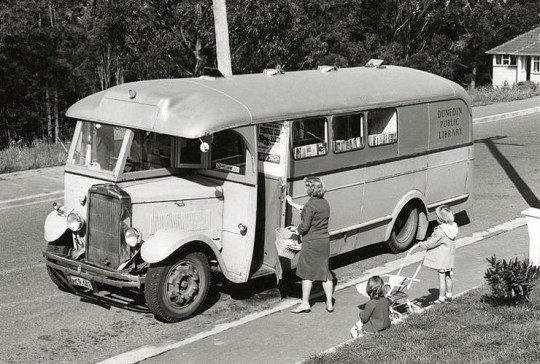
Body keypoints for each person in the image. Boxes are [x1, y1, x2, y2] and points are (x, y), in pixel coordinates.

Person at [286, 176, 334, 313]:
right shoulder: (325, 203)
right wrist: (292, 203)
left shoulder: (309, 205)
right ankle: (329, 303)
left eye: (307, 186)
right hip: (324, 241)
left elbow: (305, 226)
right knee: (325, 272)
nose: (305, 189)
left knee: (307, 273)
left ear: (311, 189)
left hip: (311, 242)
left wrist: (295, 230)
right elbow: (308, 212)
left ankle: (305, 303)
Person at [412, 205, 458, 304]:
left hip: (442, 259)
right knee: (448, 277)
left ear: (441, 219)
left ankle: (441, 298)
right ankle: (449, 295)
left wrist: (421, 244)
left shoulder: (441, 231)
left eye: (437, 216)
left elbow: (432, 243)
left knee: (441, 278)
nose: (436, 218)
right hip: (449, 258)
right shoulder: (452, 227)